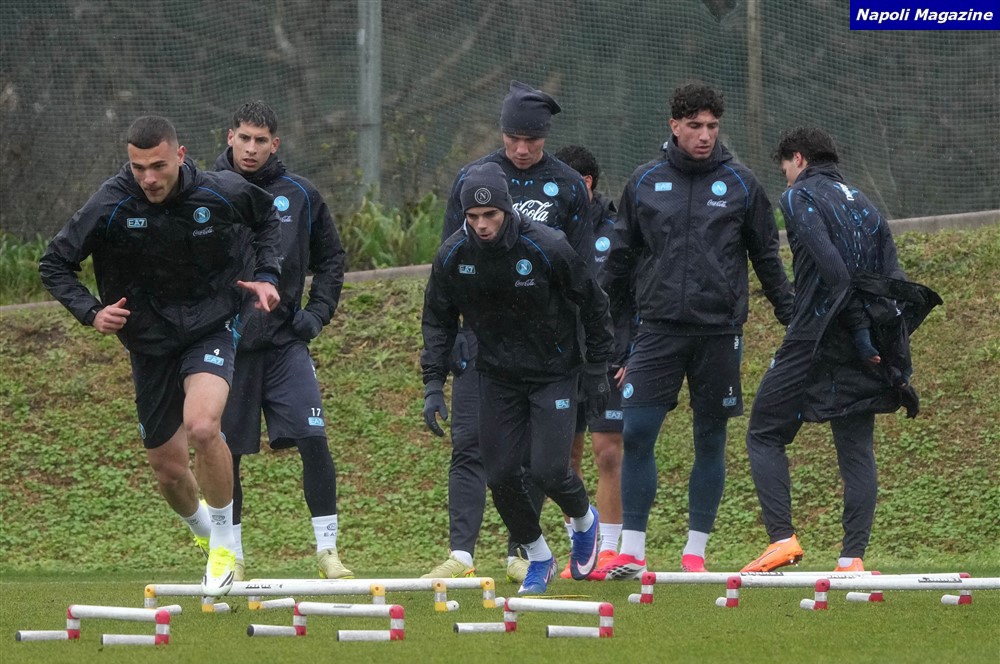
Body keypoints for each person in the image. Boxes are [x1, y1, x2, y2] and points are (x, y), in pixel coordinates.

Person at [38, 115, 281, 595]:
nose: (148, 178)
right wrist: (91, 312)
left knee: (203, 426)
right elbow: (54, 263)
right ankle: (206, 536)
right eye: (138, 168)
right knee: (168, 472)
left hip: (211, 323)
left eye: (158, 166)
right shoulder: (110, 203)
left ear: (180, 156)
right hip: (148, 340)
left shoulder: (220, 191)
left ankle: (226, 546)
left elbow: (267, 218)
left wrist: (267, 275)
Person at [595, 83, 794, 579]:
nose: (705, 136)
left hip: (718, 332)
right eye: (695, 126)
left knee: (710, 438)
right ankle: (633, 551)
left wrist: (792, 316)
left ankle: (694, 553)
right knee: (637, 432)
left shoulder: (742, 183)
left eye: (712, 127)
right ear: (674, 126)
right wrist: (612, 339)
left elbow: (767, 258)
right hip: (656, 331)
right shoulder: (644, 181)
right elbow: (617, 266)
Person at [741, 127, 940, 572]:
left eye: (785, 168)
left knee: (764, 433)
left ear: (798, 159)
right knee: (856, 448)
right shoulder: (865, 203)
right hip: (863, 345)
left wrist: (857, 327)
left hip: (815, 336)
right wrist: (884, 347)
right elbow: (895, 283)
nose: (785, 177)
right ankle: (852, 559)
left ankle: (782, 540)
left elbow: (834, 271)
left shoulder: (799, 197)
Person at [423, 80, 592, 583]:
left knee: (538, 460)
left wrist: (582, 349)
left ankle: (524, 550)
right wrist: (454, 339)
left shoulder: (567, 185)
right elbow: (450, 263)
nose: (521, 149)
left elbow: (582, 273)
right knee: (472, 444)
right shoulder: (473, 178)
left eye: (531, 140)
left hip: (544, 349)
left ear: (546, 136)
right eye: (512, 138)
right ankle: (461, 552)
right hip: (482, 343)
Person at [215, 101, 351, 581]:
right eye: (244, 138)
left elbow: (332, 259)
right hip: (225, 347)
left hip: (284, 345)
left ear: (275, 144)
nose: (251, 149)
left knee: (314, 439)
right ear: (230, 137)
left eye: (261, 141)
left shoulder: (301, 194)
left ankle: (328, 552)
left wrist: (318, 312)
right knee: (223, 454)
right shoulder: (204, 191)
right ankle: (230, 557)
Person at [553, 145, 626, 578]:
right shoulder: (543, 228)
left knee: (608, 452)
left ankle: (612, 550)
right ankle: (581, 548)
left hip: (607, 356)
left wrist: (630, 350)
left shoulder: (617, 231)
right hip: (560, 358)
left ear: (585, 183)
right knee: (565, 459)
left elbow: (634, 295)